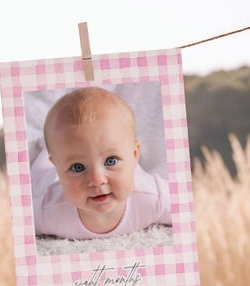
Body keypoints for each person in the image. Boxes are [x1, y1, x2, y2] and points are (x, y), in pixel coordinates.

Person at [31, 87, 171, 239]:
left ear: (135, 154)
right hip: (48, 178)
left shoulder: (155, 197)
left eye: (110, 161)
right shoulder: (47, 212)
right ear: (57, 166)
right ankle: (46, 149)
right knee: (39, 171)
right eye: (78, 167)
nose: (97, 180)